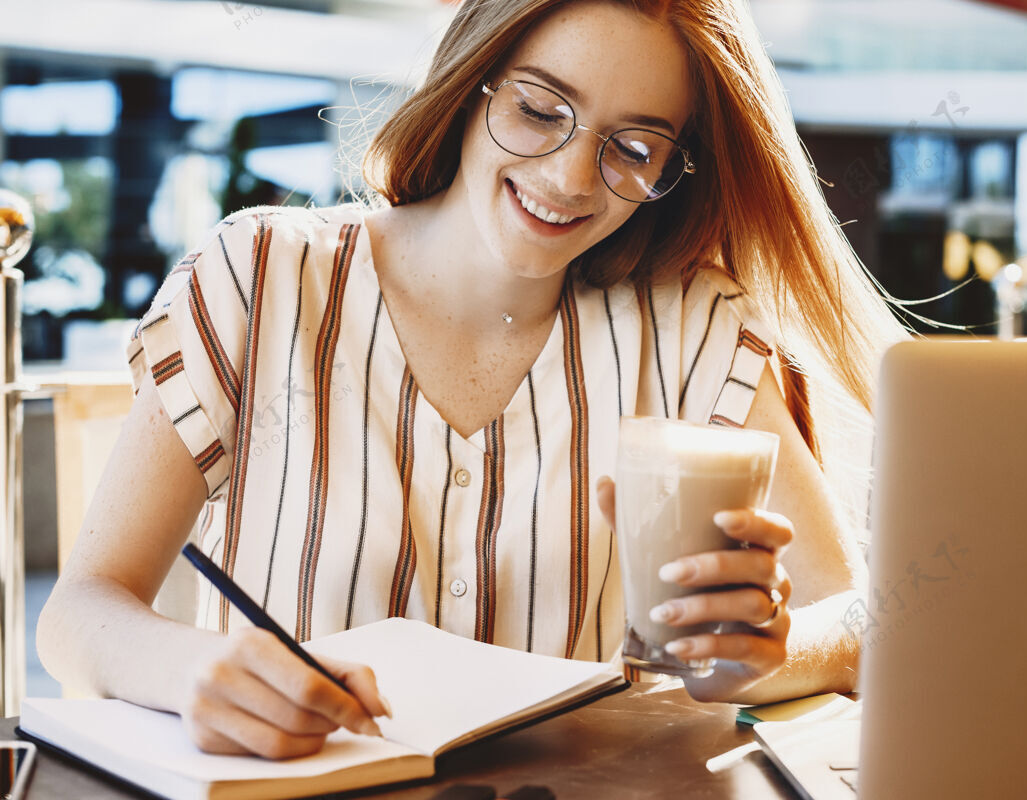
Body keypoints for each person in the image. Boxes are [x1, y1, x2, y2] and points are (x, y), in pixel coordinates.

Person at [37, 0, 904, 760]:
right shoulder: (259, 279)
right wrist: (195, 671)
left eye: (632, 148)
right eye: (538, 110)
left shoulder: (692, 327)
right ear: (471, 83)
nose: (568, 179)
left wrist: (763, 650)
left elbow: (860, 619)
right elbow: (77, 615)